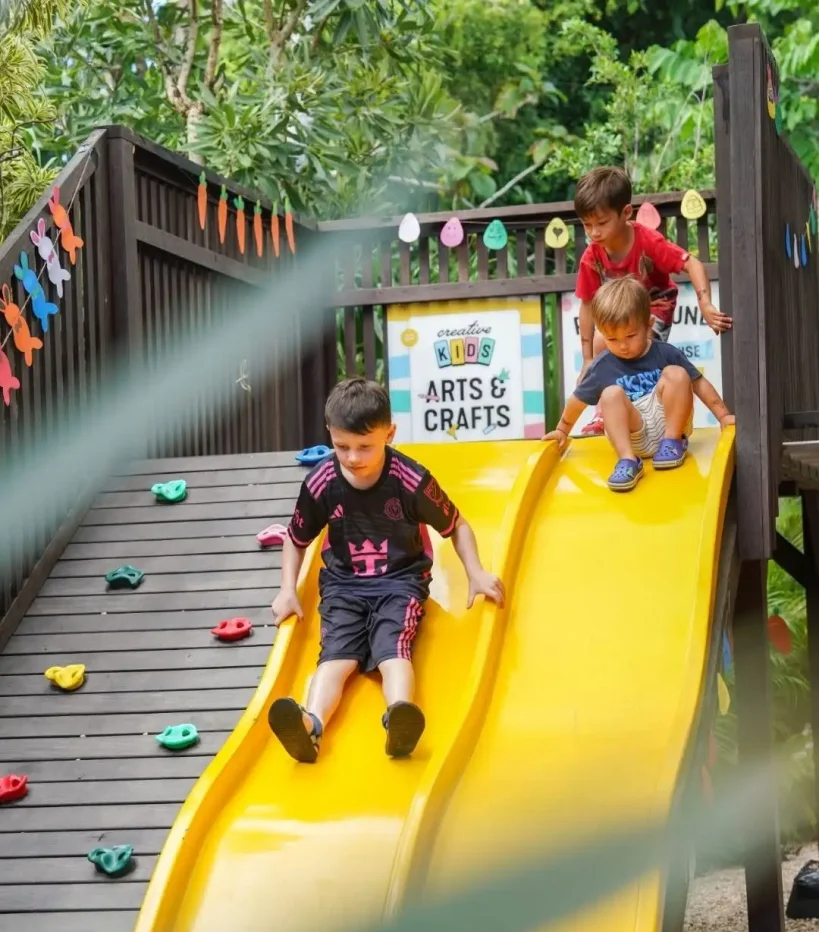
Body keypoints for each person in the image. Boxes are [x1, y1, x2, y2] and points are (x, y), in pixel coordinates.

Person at [267, 378, 505, 763]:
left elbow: (457, 525)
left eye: (365, 446)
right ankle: (311, 725)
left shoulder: (409, 480)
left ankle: (399, 717)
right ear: (330, 434)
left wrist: (476, 571)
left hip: (400, 582)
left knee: (393, 649)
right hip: (343, 586)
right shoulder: (321, 482)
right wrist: (287, 589)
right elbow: (295, 539)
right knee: (335, 658)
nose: (352, 457)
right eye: (342, 446)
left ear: (389, 435)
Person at [573, 165, 732, 436]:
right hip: (621, 313)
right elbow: (587, 304)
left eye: (601, 223)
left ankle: (659, 412)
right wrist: (587, 359)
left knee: (633, 347)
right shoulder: (592, 257)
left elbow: (691, 264)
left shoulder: (647, 241)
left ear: (626, 213)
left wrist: (705, 304)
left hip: (654, 308)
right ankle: (606, 413)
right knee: (605, 345)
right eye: (587, 225)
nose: (594, 232)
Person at [543, 276, 735, 492]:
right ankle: (627, 460)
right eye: (612, 339)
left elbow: (699, 383)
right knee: (610, 394)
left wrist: (723, 416)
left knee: (677, 374)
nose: (623, 346)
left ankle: (672, 442)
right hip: (632, 433)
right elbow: (577, 401)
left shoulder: (665, 353)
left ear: (648, 325)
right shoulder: (602, 366)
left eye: (631, 336)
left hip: (668, 423)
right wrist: (561, 430)